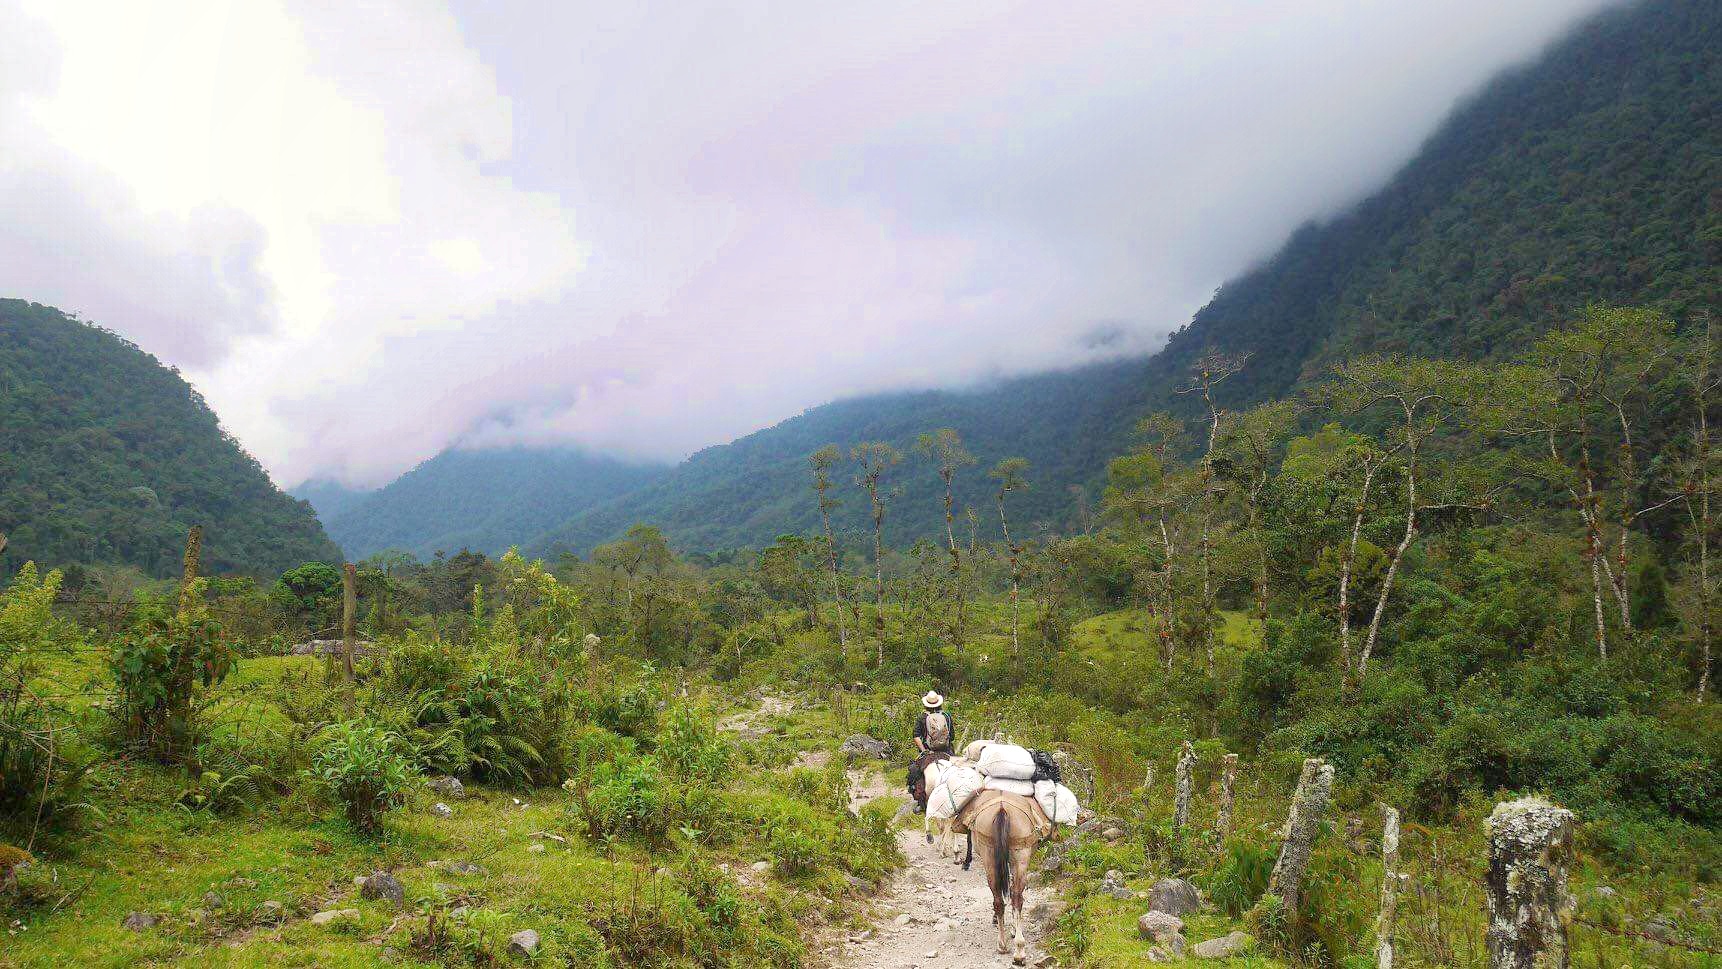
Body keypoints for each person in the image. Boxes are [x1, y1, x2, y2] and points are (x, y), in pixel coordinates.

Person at [906, 691, 955, 808]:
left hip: (929, 752)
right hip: (947, 751)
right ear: (939, 703)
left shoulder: (922, 717)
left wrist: (924, 750)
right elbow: (952, 736)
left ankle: (921, 803)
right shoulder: (947, 716)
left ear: (926, 705)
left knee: (915, 772)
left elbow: (916, 736)